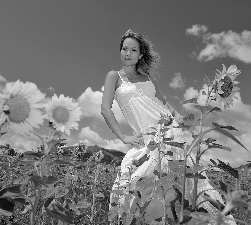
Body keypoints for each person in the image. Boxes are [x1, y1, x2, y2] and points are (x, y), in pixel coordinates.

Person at [101, 29, 236, 225]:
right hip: (146, 138)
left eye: (133, 50)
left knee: (184, 185)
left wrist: (184, 123)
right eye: (124, 49)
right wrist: (123, 137)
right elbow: (105, 109)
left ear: (140, 55)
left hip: (170, 131)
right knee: (138, 186)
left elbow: (166, 105)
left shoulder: (147, 77)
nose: (127, 53)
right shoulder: (114, 76)